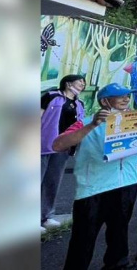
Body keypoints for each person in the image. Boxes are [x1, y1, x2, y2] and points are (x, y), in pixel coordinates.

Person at [53, 83, 137, 270]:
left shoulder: (135, 120)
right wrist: (92, 125)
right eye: (120, 96)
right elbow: (58, 145)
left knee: (119, 230)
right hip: (93, 190)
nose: (126, 99)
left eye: (127, 95)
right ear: (105, 101)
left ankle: (118, 264)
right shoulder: (86, 122)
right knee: (83, 237)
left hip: (126, 185)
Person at [41, 74, 86, 230]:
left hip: (63, 148)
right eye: (80, 81)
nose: (83, 84)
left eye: (84, 83)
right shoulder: (51, 96)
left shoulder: (79, 104)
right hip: (43, 145)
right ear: (68, 83)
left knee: (52, 182)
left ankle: (45, 216)